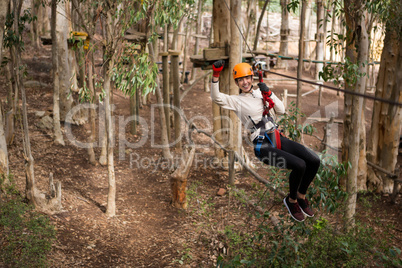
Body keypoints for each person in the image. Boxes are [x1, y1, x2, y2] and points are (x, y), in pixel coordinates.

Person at [211, 60, 320, 222]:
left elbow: (281, 111)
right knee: (299, 165)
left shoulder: (261, 92)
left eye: (247, 78)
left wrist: (269, 93)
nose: (245, 82)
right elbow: (216, 97)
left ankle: (301, 196)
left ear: (252, 78)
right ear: (236, 83)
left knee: (314, 160)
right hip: (263, 146)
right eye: (240, 80)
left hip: (277, 137)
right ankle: (291, 201)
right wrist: (216, 75)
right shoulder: (236, 101)